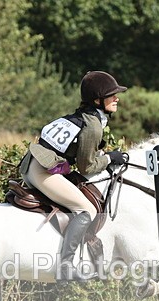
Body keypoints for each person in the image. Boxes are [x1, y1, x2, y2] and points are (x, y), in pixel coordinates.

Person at [19, 71, 128, 281]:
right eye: (111, 95)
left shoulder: (82, 116)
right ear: (97, 100)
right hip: (41, 171)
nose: (117, 98)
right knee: (85, 209)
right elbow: (87, 168)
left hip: (35, 163)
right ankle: (66, 265)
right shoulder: (92, 125)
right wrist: (109, 158)